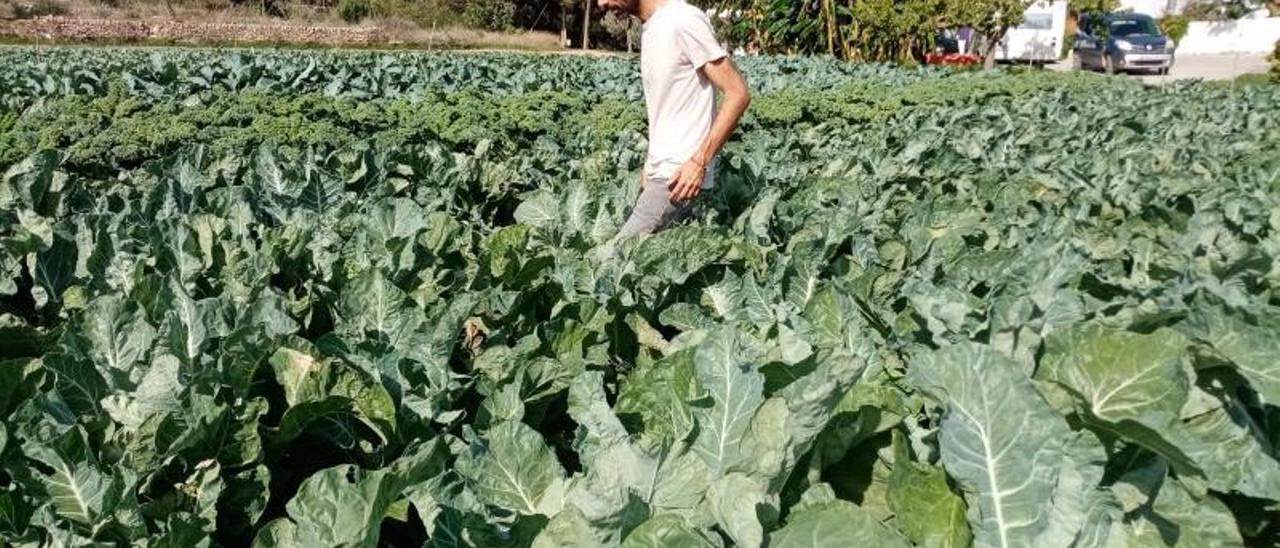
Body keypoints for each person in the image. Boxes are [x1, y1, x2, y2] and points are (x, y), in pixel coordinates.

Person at [599, 0, 751, 235]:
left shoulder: (682, 20)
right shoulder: (651, 28)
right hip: (661, 174)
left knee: (614, 261)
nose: (601, 3)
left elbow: (737, 93)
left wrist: (699, 162)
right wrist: (651, 163)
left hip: (678, 179)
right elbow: (671, 104)